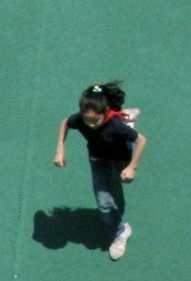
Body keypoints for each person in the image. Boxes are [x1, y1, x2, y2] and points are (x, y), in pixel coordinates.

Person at [54, 82, 147, 260]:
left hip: (122, 156)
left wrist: (132, 167)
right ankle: (121, 232)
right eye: (87, 119)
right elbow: (65, 123)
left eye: (95, 120)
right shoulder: (82, 119)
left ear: (105, 112)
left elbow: (141, 141)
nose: (90, 125)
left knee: (126, 175)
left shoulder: (114, 126)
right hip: (98, 160)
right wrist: (60, 149)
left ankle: (128, 119)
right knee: (104, 203)